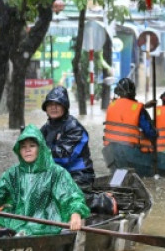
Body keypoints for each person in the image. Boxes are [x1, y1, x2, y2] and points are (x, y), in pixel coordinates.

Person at [0, 125, 90, 236]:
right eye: (23, 147)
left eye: (32, 146)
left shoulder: (56, 173)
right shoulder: (13, 173)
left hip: (45, 222)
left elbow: (71, 196)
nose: (27, 150)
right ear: (19, 150)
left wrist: (76, 214)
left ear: (40, 148)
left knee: (30, 229)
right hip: (15, 219)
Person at [40, 85, 117, 215]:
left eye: (57, 104)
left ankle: (101, 200)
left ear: (64, 106)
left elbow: (64, 157)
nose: (53, 107)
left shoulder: (75, 128)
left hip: (78, 175)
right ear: (46, 108)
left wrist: (40, 153)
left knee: (68, 198)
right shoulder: (46, 128)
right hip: (55, 173)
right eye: (50, 104)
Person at [103, 77, 157, 152]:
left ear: (118, 92)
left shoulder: (111, 106)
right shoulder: (138, 109)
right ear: (134, 92)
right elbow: (150, 132)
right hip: (132, 150)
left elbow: (125, 111)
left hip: (110, 148)